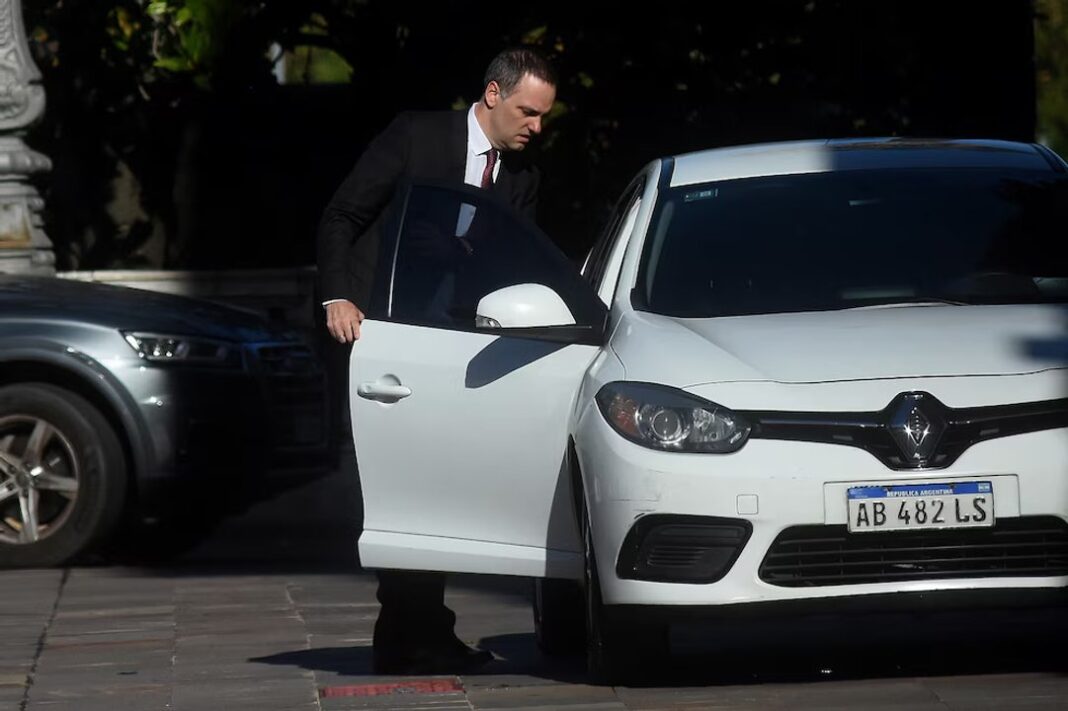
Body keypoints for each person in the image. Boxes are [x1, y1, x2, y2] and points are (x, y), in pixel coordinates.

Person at [316, 47, 557, 675]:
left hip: (454, 350)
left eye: (544, 116)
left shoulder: (522, 177)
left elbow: (512, 263)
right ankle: (413, 634)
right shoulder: (417, 136)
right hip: (381, 338)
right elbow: (343, 213)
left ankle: (409, 635)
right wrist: (338, 296)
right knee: (404, 490)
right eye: (528, 112)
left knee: (438, 492)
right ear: (493, 94)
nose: (537, 126)